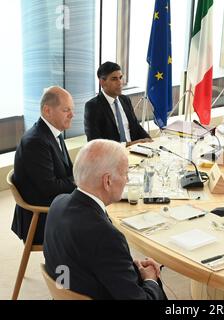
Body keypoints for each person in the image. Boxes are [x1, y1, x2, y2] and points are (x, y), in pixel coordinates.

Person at [43, 139, 167, 300]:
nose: (127, 180)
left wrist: (126, 267)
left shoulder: (58, 203)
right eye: (125, 173)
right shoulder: (106, 236)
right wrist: (151, 279)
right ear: (107, 181)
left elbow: (93, 257)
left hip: (72, 284)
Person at [11, 86, 76, 245]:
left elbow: (66, 172)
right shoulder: (36, 142)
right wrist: (80, 181)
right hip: (41, 217)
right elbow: (50, 187)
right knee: (97, 219)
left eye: (72, 110)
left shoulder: (53, 132)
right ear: (47, 111)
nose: (72, 115)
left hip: (53, 204)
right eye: (66, 110)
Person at [84, 61, 152, 146]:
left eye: (120, 78)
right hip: (112, 156)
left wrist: (149, 141)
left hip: (134, 151)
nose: (120, 82)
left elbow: (136, 127)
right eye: (114, 79)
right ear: (102, 82)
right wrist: (129, 144)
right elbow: (94, 142)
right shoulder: (93, 106)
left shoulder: (125, 100)